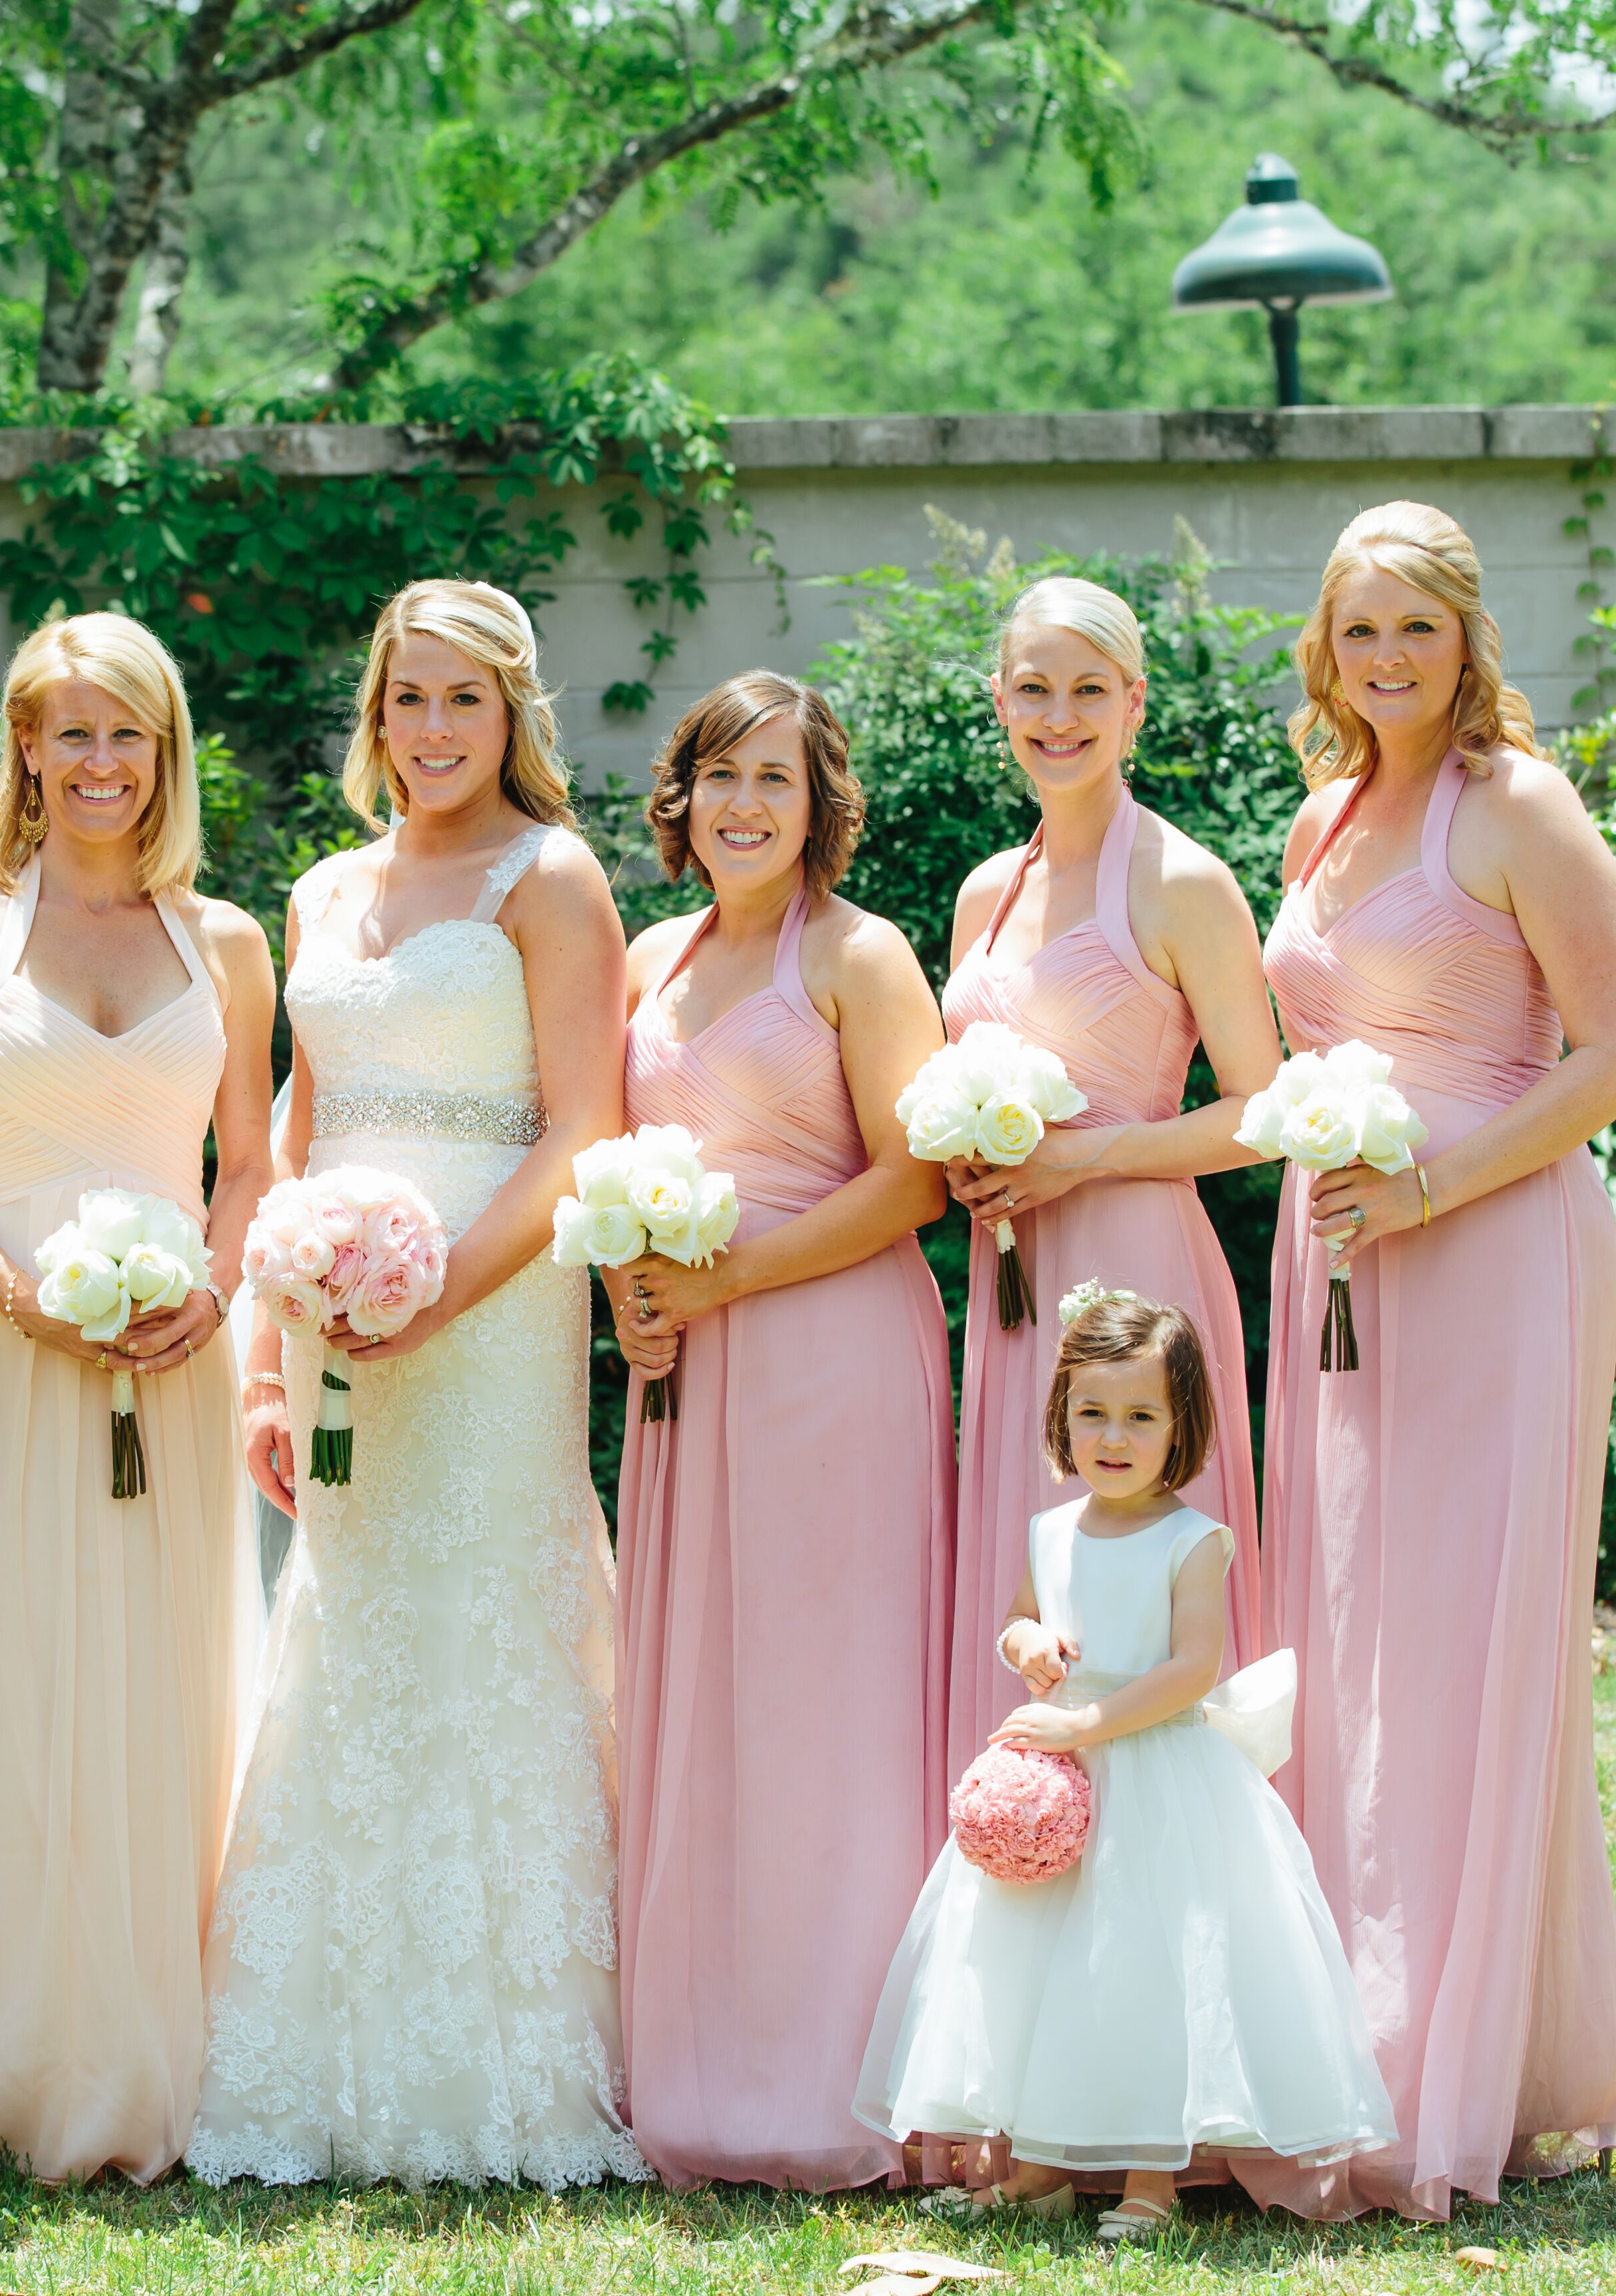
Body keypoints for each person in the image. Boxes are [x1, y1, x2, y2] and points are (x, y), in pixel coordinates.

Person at [188, 579, 649, 2190]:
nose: (432, 730)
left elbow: (582, 1127)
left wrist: (442, 1288)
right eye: (406, 699)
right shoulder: (324, 888)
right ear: (373, 715)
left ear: (513, 711)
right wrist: (268, 1351)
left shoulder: (552, 876)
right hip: (329, 1310)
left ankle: (499, 2061)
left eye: (462, 700)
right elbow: (298, 1139)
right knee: (349, 1624)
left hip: (499, 1299)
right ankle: (321, 2049)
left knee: (483, 1622)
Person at [1259, 500, 1616, 2219]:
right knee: (1344, 1633)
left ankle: (1456, 2064)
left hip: (1490, 1252)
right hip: (1341, 1271)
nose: (1388, 660)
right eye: (1362, 633)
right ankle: (1341, 2021)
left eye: (1415, 630)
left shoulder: (1520, 808)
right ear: (1328, 651)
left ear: (1467, 636)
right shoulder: (1322, 814)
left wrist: (1430, 1182)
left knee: (1463, 1642)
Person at [0, 612, 276, 2182]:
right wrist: (20, 1300)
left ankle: (159, 2047)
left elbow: (248, 1161)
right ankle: (15, 2055)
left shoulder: (229, 942)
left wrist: (213, 1285)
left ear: (165, 752)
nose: (98, 763)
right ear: (26, 750)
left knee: (171, 1679)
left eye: (128, 734)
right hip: (8, 1347)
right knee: (9, 1669)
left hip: (175, 1355)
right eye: (69, 734)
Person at [602, 673, 954, 2191]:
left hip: (830, 1355)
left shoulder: (863, 958)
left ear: (821, 808)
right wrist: (632, 1288)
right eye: (722, 777)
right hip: (685, 1374)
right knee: (701, 1700)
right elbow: (613, 1159)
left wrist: (735, 1270)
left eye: (779, 782)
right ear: (682, 797)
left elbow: (917, 1178)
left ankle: (834, 2077)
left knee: (826, 1707)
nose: (747, 806)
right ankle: (697, 2060)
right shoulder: (648, 957)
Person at [853, 1292, 1395, 2242]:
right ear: (1062, 1415)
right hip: (1063, 1782)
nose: (1114, 1436)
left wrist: (1089, 1723)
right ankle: (1041, 2164)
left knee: (1150, 1967)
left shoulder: (1193, 1542)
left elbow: (1193, 1671)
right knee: (1044, 1964)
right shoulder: (1051, 1532)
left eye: (1142, 1417)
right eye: (1093, 1413)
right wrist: (1029, 1648)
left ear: (1183, 1428)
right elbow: (1023, 1615)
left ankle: (1154, 2177)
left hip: (1155, 1775)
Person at [938, 578, 1280, 1763]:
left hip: (1139, 1264)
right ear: (1000, 701)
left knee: (1146, 1587)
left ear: (1135, 705)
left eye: (1090, 690)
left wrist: (1085, 1161)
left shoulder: (1184, 884)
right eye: (1034, 689)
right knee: (1029, 1575)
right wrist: (975, 1166)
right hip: (1013, 1279)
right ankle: (1015, 1851)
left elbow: (1262, 1113)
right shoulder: (988, 893)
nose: (1060, 715)